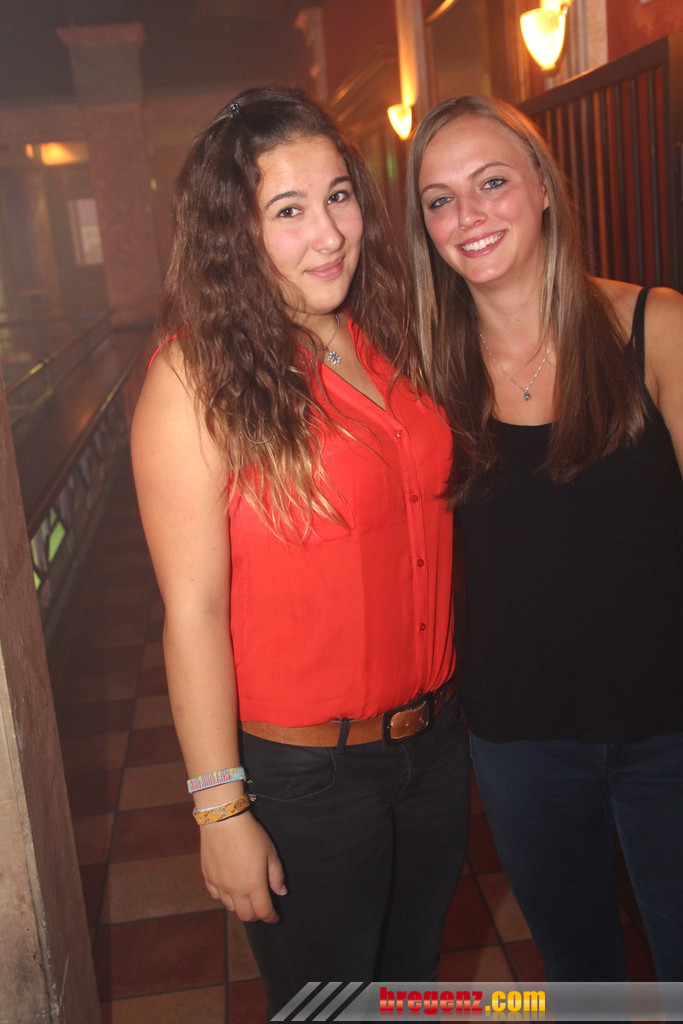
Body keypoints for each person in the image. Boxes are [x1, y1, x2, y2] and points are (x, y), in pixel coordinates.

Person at [131, 87, 469, 1016]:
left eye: (338, 196)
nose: (328, 234)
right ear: (231, 235)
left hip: (432, 750)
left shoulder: (387, 335)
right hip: (305, 781)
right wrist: (220, 809)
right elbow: (192, 612)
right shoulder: (194, 378)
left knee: (408, 989)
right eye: (287, 211)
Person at [405, 94, 683, 984]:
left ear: (543, 188)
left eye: (491, 182)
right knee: (579, 978)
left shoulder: (657, 328)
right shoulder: (424, 373)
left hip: (669, 727)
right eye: (439, 199)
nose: (468, 214)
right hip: (520, 742)